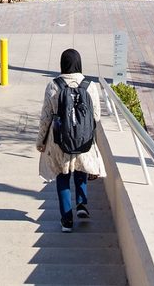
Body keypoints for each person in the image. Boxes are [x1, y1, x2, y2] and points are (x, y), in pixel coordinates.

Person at [36, 48, 104, 232]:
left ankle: (66, 220)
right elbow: (96, 116)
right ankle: (82, 204)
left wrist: (41, 141)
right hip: (83, 139)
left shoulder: (53, 85)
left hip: (59, 141)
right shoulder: (90, 86)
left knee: (63, 176)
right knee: (80, 167)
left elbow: (46, 118)